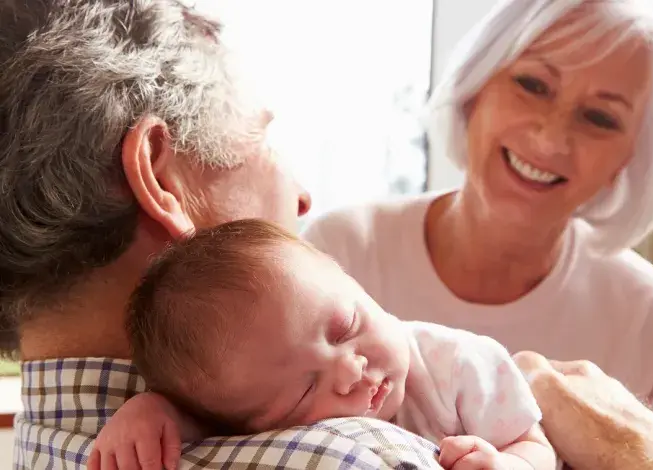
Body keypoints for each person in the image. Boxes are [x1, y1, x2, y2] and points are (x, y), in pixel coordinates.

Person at [1, 1, 440, 469]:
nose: (303, 198)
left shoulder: (38, 445)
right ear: (164, 181)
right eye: (263, 144)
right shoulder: (355, 456)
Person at [301, 0, 653, 465]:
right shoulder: (338, 252)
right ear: (475, 90)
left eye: (599, 118)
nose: (550, 139)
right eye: (532, 85)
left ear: (632, 159)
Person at [88, 219, 556, 470]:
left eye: (346, 326)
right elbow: (214, 427)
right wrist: (157, 412)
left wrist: (511, 463)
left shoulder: (460, 364)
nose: (351, 370)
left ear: (349, 279)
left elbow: (536, 443)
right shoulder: (250, 421)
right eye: (306, 390)